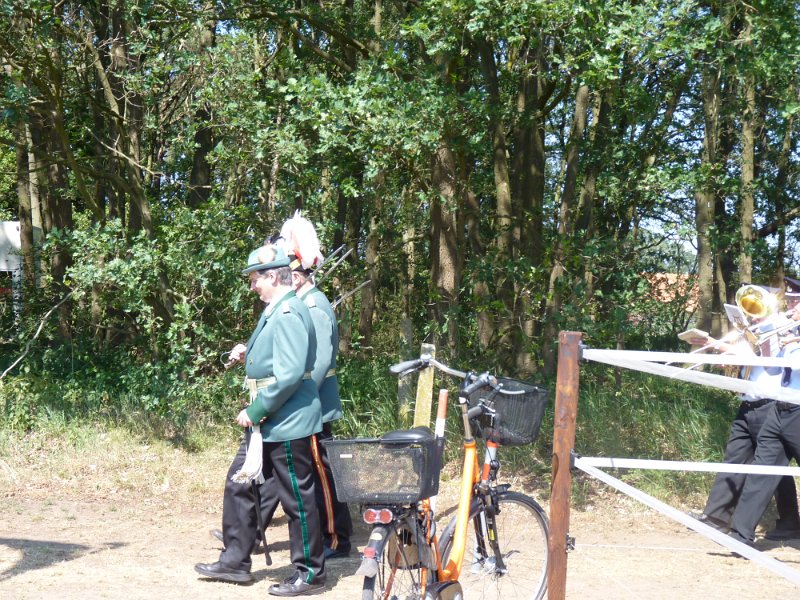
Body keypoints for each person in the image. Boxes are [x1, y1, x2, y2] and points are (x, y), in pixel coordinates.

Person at [195, 244, 326, 596]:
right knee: (240, 484)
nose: (252, 286)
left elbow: (290, 374)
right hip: (269, 420)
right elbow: (276, 359)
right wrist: (249, 353)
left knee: (296, 499)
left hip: (287, 420)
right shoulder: (276, 309)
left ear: (273, 277)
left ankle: (311, 573)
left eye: (256, 279)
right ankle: (235, 561)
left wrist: (255, 410)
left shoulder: (289, 312)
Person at [688, 299, 800, 539]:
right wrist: (721, 349)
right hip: (751, 401)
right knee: (742, 460)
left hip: (771, 403)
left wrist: (720, 346)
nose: (753, 316)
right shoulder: (758, 331)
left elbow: (766, 361)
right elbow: (752, 357)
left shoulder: (780, 329)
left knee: (772, 467)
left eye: (757, 311)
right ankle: (720, 519)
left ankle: (789, 520)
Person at [727, 295, 800, 546]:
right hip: (780, 409)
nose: (791, 306)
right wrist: (768, 338)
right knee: (762, 471)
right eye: (790, 301)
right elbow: (772, 368)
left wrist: (791, 340)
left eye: (796, 302)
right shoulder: (790, 332)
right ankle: (740, 534)